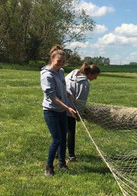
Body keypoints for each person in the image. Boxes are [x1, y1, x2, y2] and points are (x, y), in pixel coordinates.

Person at [40, 45, 77, 176]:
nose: (60, 64)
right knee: (57, 139)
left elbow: (61, 86)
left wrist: (67, 93)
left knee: (63, 138)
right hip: (51, 111)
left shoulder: (61, 72)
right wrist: (67, 107)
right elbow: (52, 96)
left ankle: (62, 163)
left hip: (61, 110)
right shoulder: (47, 75)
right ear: (52, 59)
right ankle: (49, 167)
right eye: (58, 62)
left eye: (63, 62)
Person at [65, 62, 101, 162]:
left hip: (60, 106)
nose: (95, 78)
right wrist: (78, 115)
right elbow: (80, 101)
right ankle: (71, 155)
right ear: (89, 74)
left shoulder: (72, 73)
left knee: (61, 131)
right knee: (71, 131)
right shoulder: (84, 84)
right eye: (95, 76)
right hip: (70, 109)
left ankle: (57, 153)